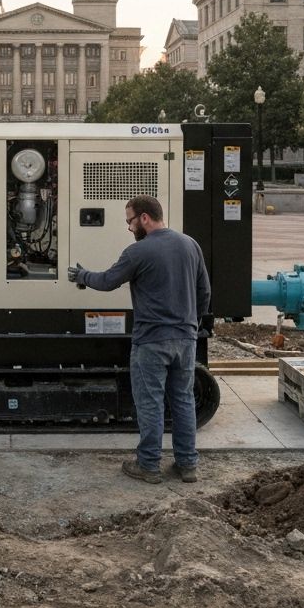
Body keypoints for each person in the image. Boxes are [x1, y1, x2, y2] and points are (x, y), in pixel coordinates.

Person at [67, 194, 210, 486]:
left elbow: (108, 281)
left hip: (151, 342)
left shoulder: (139, 252)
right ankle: (187, 465)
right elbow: (204, 292)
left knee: (151, 404)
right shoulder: (190, 245)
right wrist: (191, 325)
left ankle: (149, 466)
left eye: (130, 221)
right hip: (185, 339)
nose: (130, 228)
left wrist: (82, 275)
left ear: (144, 218)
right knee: (183, 401)